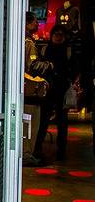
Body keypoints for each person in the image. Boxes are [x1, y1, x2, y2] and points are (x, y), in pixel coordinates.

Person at [33, 25, 76, 162]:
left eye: (60, 35)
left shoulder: (67, 50)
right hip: (48, 90)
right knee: (44, 120)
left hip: (62, 90)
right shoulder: (46, 49)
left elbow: (74, 69)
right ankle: (38, 149)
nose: (58, 37)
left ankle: (60, 151)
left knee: (61, 121)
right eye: (56, 34)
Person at [23, 12, 51, 166]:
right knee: (31, 124)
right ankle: (26, 154)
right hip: (31, 92)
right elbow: (33, 66)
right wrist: (48, 65)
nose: (37, 24)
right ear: (28, 23)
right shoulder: (29, 43)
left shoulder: (21, 40)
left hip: (26, 91)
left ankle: (26, 153)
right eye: (35, 22)